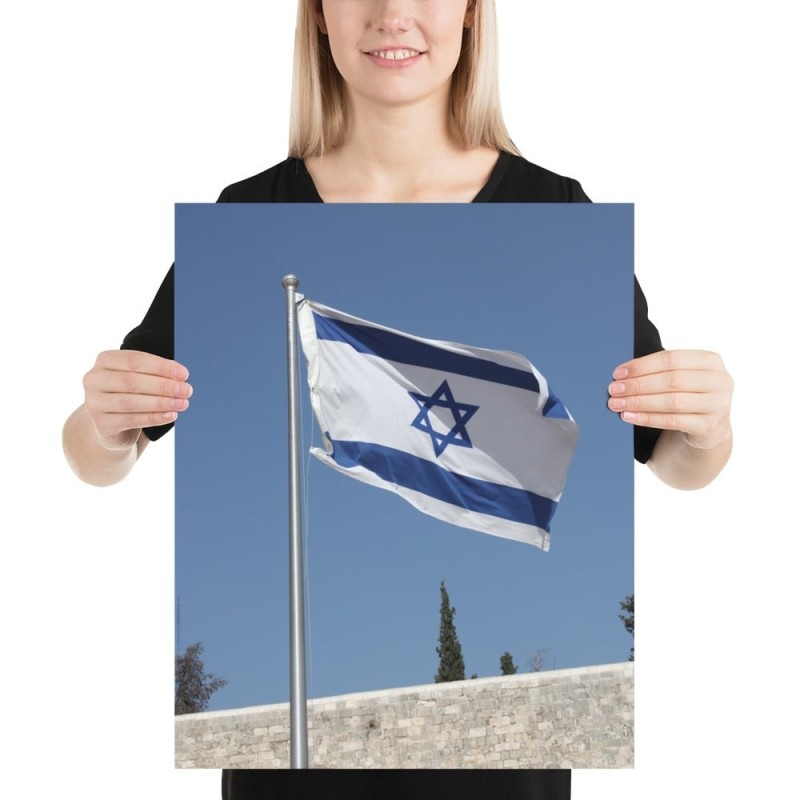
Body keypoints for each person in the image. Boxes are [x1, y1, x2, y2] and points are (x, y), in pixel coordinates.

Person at [62, 1, 733, 797]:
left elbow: (672, 457)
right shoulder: (243, 215)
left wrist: (707, 426)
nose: (393, 15)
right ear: (318, 15)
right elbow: (97, 454)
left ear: (472, 13)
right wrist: (105, 425)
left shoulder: (558, 210)